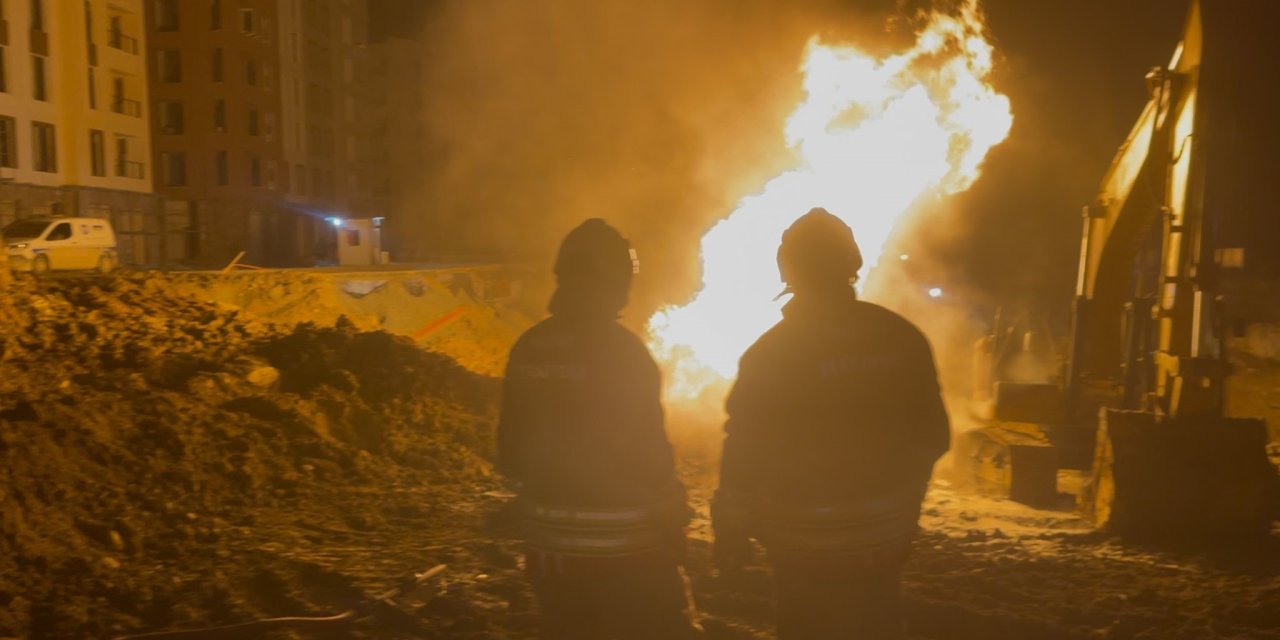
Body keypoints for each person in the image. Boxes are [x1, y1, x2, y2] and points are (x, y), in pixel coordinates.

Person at [712, 207, 950, 639]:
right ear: (852, 262)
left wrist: (731, 530)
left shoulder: (770, 354)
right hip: (883, 544)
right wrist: (898, 504)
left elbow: (743, 453)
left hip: (801, 549)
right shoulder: (901, 337)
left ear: (787, 269)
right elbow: (933, 436)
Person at [497, 219, 701, 639]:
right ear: (617, 279)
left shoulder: (528, 347)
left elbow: (509, 454)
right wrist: (673, 511)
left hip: (549, 555)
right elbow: (651, 459)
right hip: (629, 555)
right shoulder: (623, 351)